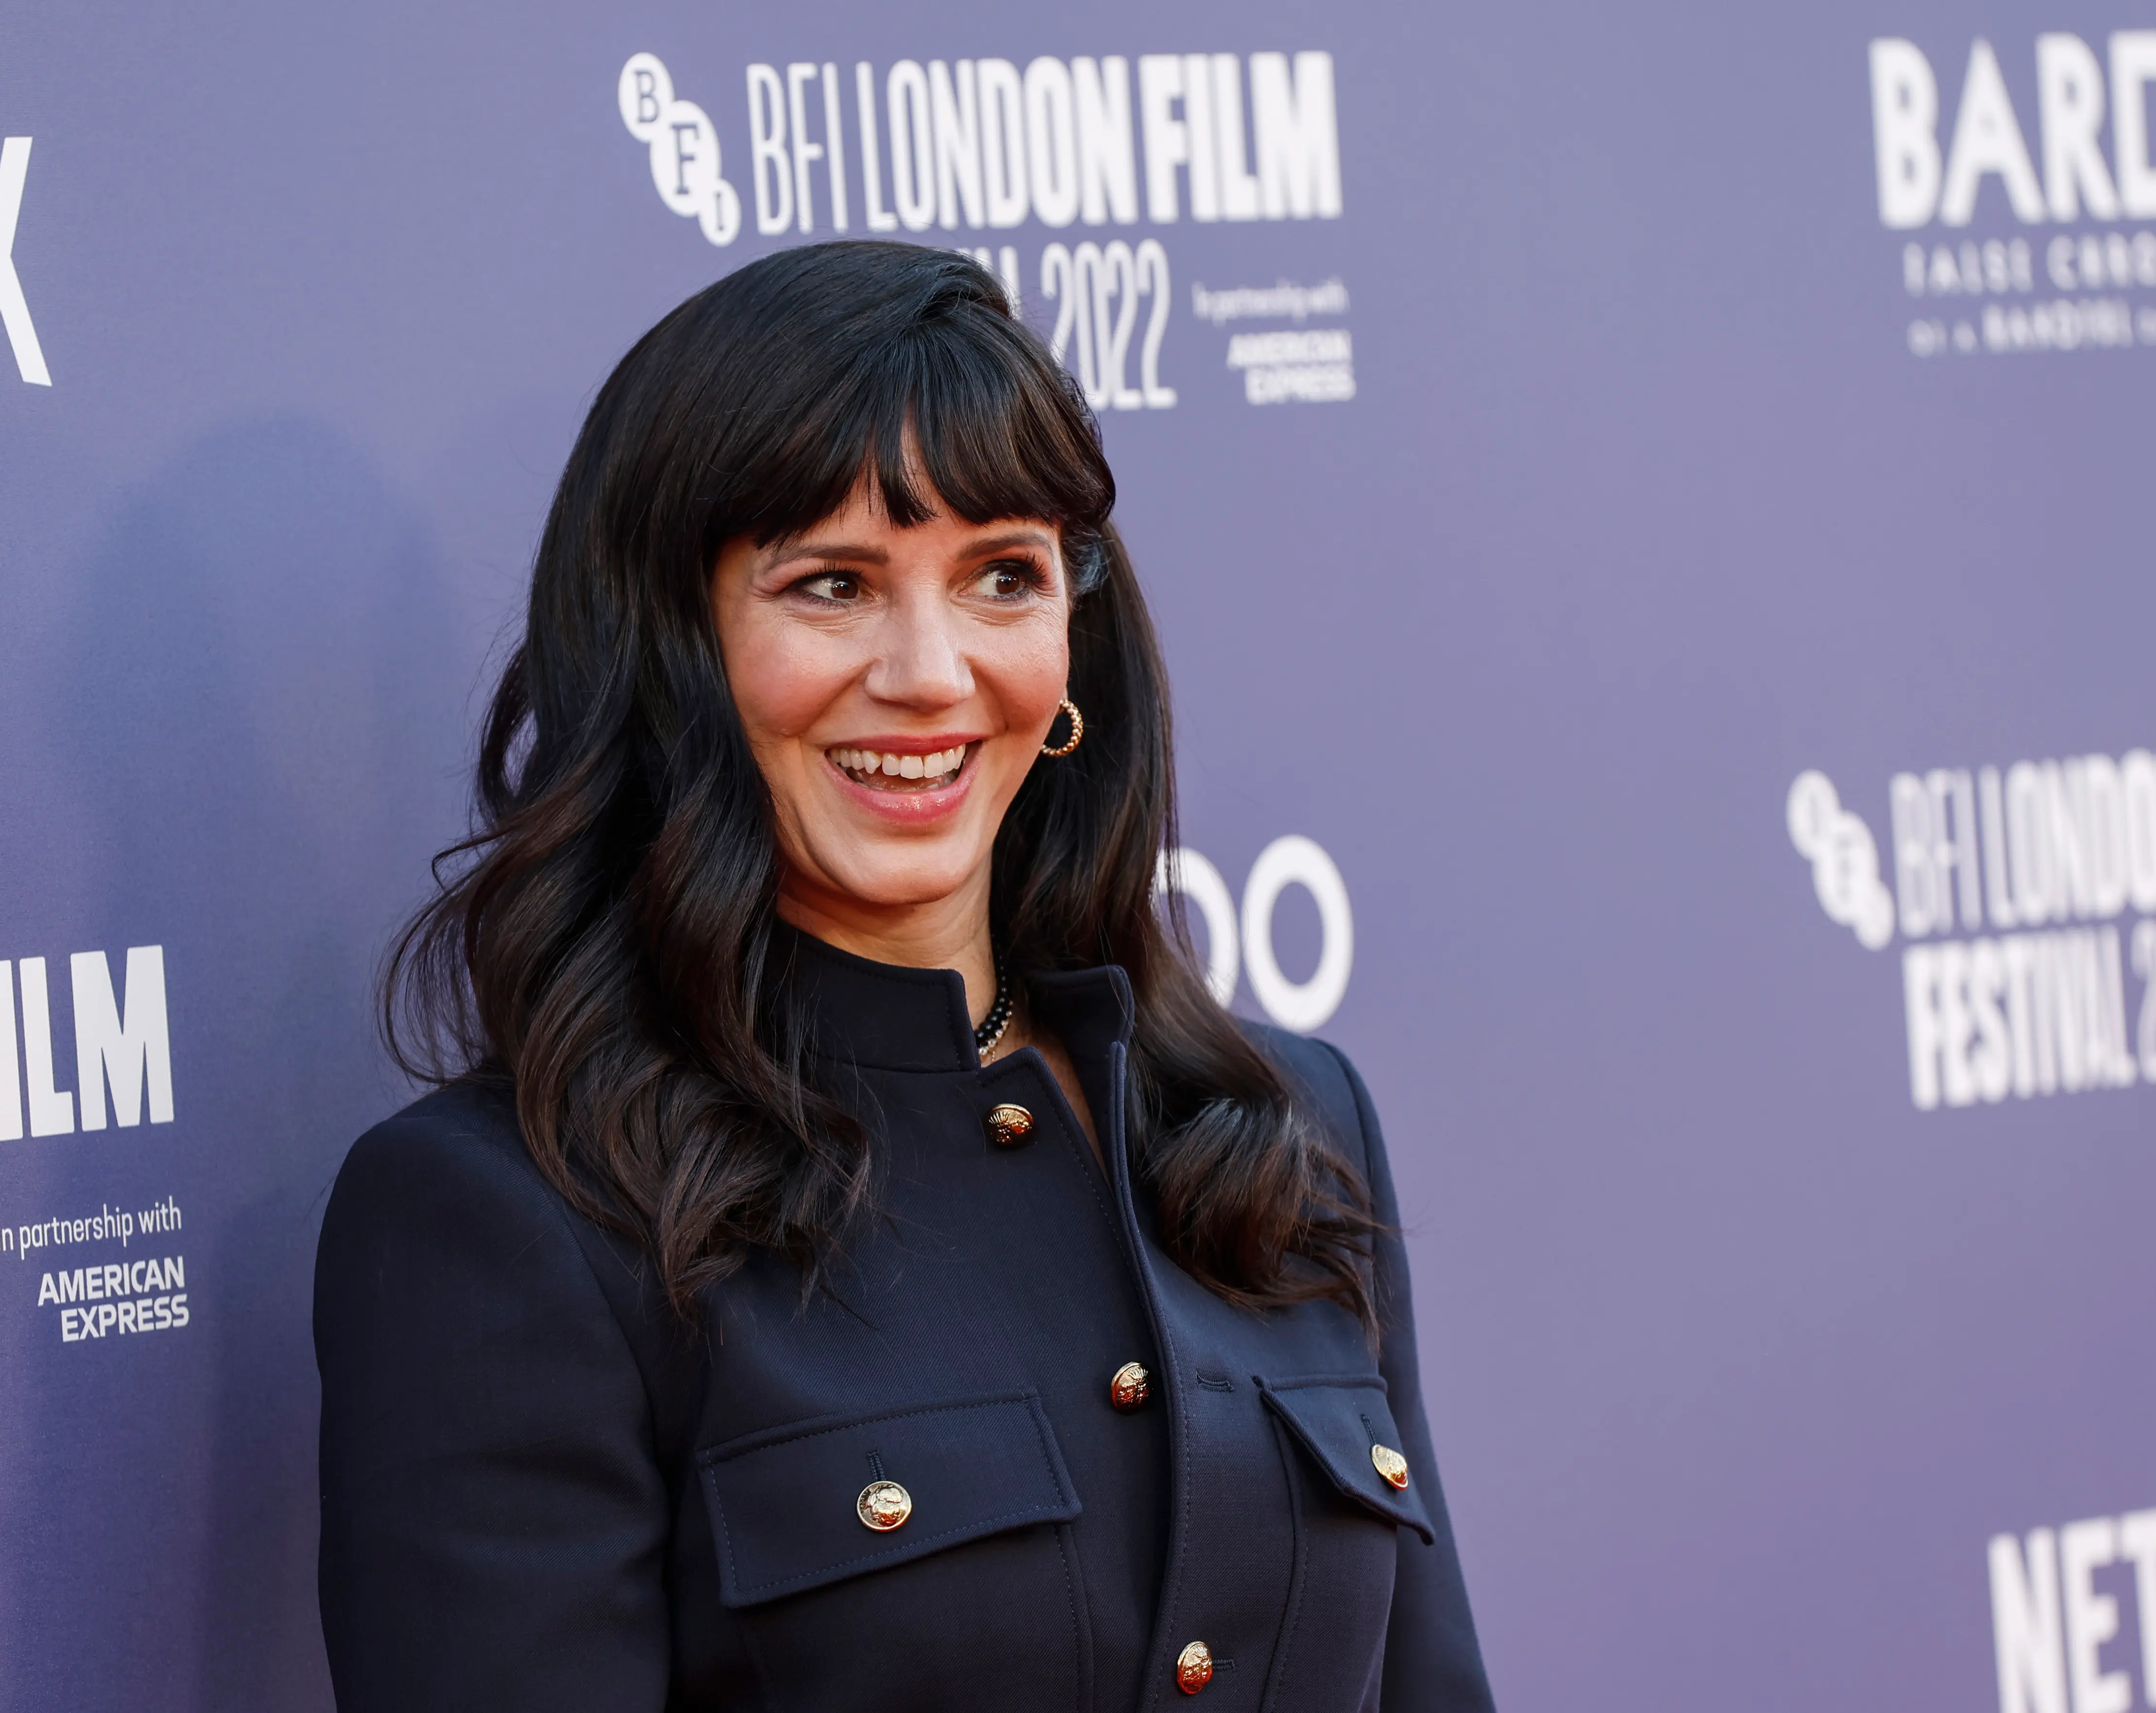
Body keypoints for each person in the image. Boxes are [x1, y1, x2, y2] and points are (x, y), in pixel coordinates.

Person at [314, 241, 1493, 1712]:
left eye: (1003, 576)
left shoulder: (1291, 1124)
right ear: (674, 643)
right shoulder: (516, 1219)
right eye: (832, 586)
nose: (931, 671)